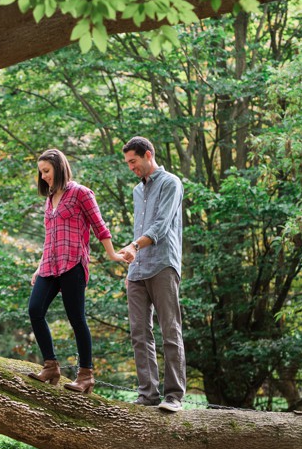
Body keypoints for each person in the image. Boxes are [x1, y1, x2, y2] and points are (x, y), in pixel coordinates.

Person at [27, 149, 127, 393]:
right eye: (41, 172)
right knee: (35, 309)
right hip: (50, 266)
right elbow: (48, 236)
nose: (44, 176)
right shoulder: (49, 199)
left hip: (73, 263)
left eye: (47, 171)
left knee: (76, 318)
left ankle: (86, 374)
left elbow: (99, 226)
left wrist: (113, 254)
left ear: (59, 168)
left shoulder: (81, 193)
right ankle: (51, 365)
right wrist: (39, 266)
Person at [116, 136, 187, 412]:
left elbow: (161, 225)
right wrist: (132, 263)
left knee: (170, 329)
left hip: (163, 264)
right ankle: (148, 394)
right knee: (139, 333)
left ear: (148, 155)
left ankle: (174, 396)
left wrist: (134, 246)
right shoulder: (137, 191)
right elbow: (140, 229)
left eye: (133, 161)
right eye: (128, 163)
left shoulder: (171, 183)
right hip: (138, 269)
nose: (131, 167)